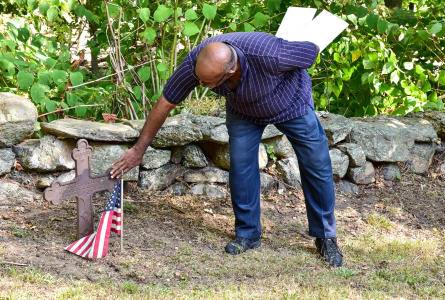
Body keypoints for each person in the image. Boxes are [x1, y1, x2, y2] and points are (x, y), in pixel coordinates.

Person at [110, 32, 343, 267]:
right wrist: (139, 150)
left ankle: (326, 236)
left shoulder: (271, 54)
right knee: (241, 167)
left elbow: (310, 51)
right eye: (199, 80)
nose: (200, 85)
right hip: (244, 112)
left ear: (230, 70)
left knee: (316, 163)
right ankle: (248, 233)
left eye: (207, 83)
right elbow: (166, 102)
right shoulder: (197, 62)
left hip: (291, 104)